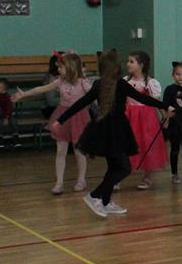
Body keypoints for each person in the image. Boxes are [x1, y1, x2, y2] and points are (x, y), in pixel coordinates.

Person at [55, 50, 167, 218]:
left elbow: (81, 103)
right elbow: (142, 98)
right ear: (115, 67)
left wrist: (60, 120)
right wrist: (166, 105)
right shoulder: (119, 84)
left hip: (105, 129)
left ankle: (105, 202)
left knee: (114, 167)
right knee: (124, 168)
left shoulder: (102, 84)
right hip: (115, 130)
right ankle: (95, 196)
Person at [12, 51, 91, 194]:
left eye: (61, 67)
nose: (58, 70)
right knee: (60, 150)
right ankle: (59, 182)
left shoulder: (83, 83)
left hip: (79, 118)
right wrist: (24, 94)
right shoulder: (59, 81)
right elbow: (41, 89)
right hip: (61, 116)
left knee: (79, 151)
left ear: (71, 67)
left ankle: (81, 180)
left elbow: (96, 96)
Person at [124, 51, 165, 190]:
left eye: (131, 61)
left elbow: (156, 101)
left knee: (146, 144)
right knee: (125, 144)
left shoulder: (150, 83)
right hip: (129, 115)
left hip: (146, 118)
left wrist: (164, 115)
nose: (128, 64)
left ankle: (147, 176)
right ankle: (117, 176)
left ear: (141, 65)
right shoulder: (125, 81)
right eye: (128, 61)